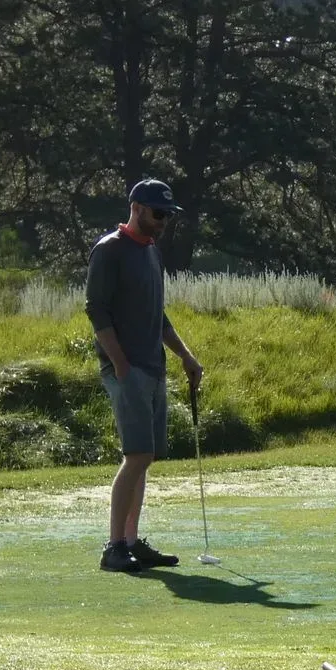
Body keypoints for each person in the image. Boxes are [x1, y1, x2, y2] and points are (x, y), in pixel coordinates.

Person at [85, 179, 204, 573]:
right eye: (158, 213)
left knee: (145, 457)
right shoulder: (110, 250)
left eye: (168, 215)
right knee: (135, 454)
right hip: (127, 367)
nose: (164, 221)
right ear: (136, 208)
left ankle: (132, 542)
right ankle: (115, 547)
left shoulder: (151, 253)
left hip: (152, 366)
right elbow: (97, 311)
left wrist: (185, 356)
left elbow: (159, 316)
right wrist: (119, 363)